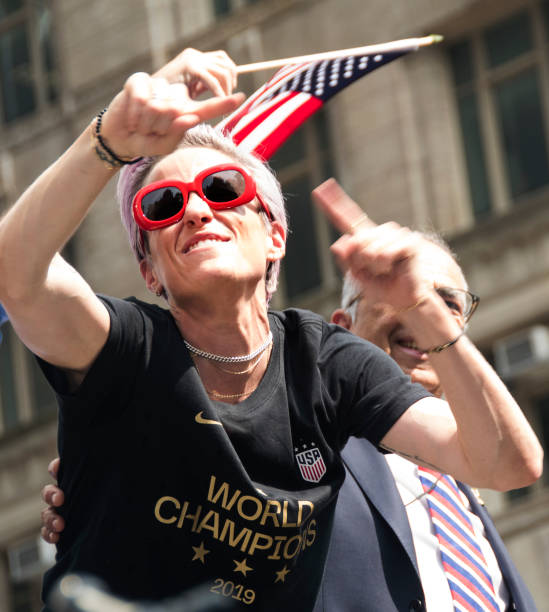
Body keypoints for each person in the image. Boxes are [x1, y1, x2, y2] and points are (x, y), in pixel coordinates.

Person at [2, 44, 542, 611]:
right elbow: (15, 276)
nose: (195, 210)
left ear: (275, 237)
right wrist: (110, 139)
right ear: (149, 271)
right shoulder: (123, 351)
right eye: (162, 204)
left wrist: (424, 307)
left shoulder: (324, 361)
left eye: (223, 189)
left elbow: (507, 463)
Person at [311, 228, 538, 611]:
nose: (421, 308)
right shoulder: (314, 449)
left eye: (447, 303)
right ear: (343, 327)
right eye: (393, 289)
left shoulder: (467, 475)